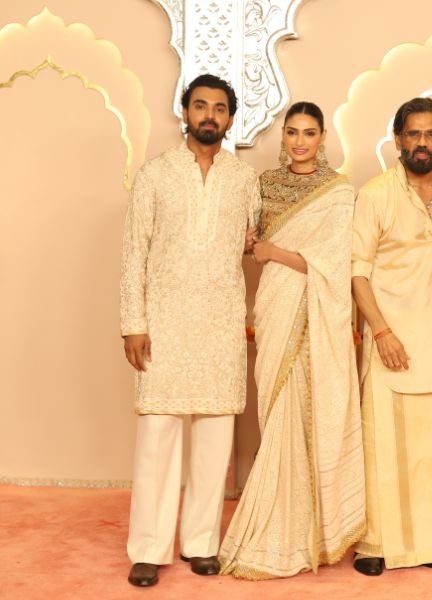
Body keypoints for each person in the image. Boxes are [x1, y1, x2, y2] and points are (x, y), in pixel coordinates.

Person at [120, 73, 260, 587]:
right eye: (200, 106)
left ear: (230, 118)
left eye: (219, 108)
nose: (209, 116)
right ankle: (148, 548)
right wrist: (133, 323)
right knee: (157, 436)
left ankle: (202, 543)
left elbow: (254, 239)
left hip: (220, 321)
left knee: (215, 435)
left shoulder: (244, 179)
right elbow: (133, 251)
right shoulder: (155, 174)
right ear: (184, 112)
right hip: (164, 321)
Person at [218, 102, 365, 579]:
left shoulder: (338, 191)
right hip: (275, 304)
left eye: (309, 133)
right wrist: (248, 242)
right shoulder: (264, 183)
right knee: (277, 413)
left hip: (313, 309)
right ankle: (280, 524)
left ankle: (309, 532)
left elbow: (333, 263)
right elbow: (250, 241)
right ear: (283, 137)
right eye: (293, 132)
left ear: (322, 138)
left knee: (306, 411)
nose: (300, 141)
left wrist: (272, 250)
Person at [350, 97, 432, 576]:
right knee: (385, 448)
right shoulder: (375, 194)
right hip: (391, 339)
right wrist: (381, 331)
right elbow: (357, 272)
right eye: (413, 134)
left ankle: (430, 546)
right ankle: (376, 545)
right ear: (397, 139)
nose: (422, 143)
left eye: (431, 134)